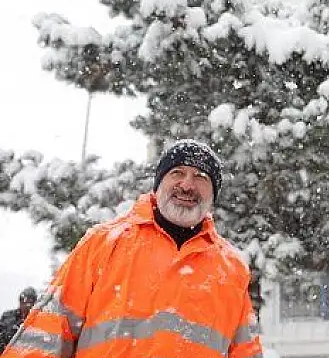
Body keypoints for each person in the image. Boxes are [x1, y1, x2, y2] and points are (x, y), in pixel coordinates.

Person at [1, 139, 263, 358]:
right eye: (177, 173)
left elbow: (246, 351)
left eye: (200, 176)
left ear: (213, 194)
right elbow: (45, 336)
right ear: (158, 184)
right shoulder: (103, 243)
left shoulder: (231, 268)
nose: (187, 184)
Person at [0, 288, 37, 353]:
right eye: (24, 301)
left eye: (30, 302)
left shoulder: (36, 321)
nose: (27, 305)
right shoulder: (7, 316)